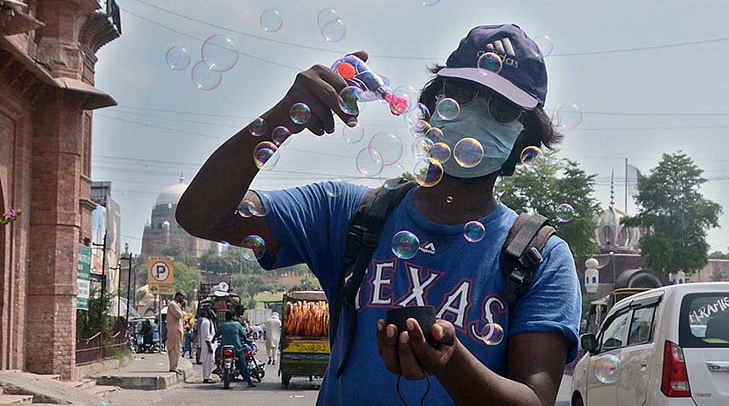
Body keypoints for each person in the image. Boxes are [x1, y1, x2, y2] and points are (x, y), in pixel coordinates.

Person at [177, 24, 582, 405]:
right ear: (433, 105)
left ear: (525, 138)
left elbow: (536, 397)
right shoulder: (346, 213)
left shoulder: (540, 258)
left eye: (501, 109)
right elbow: (201, 217)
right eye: (463, 91)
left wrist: (450, 363)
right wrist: (283, 116)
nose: (476, 113)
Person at [216, 312, 257, 388]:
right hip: (237, 348)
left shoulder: (222, 325)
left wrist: (213, 340)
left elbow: (217, 334)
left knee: (217, 354)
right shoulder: (237, 324)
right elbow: (243, 335)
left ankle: (218, 367)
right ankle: (249, 381)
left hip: (223, 347)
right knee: (243, 364)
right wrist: (245, 338)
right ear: (233, 317)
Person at [166, 291, 186, 373]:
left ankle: (175, 366)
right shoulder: (172, 305)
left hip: (178, 330)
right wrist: (183, 308)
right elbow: (179, 315)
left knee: (177, 349)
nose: (183, 299)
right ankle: (173, 367)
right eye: (182, 297)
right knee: (174, 348)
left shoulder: (176, 305)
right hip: (174, 330)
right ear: (178, 296)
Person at [199, 307, 217, 383]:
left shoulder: (209, 321)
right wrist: (209, 346)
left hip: (210, 344)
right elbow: (206, 336)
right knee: (207, 361)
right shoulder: (206, 322)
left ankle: (208, 376)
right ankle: (206, 377)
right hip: (208, 345)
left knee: (210, 361)